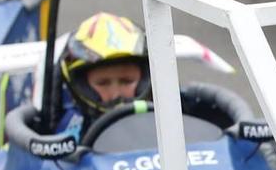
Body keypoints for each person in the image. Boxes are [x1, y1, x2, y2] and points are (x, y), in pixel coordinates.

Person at [54, 11, 250, 138]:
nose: (116, 93)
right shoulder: (69, 126)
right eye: (103, 83)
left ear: (146, 78)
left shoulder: (177, 108)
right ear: (81, 85)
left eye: (126, 81)